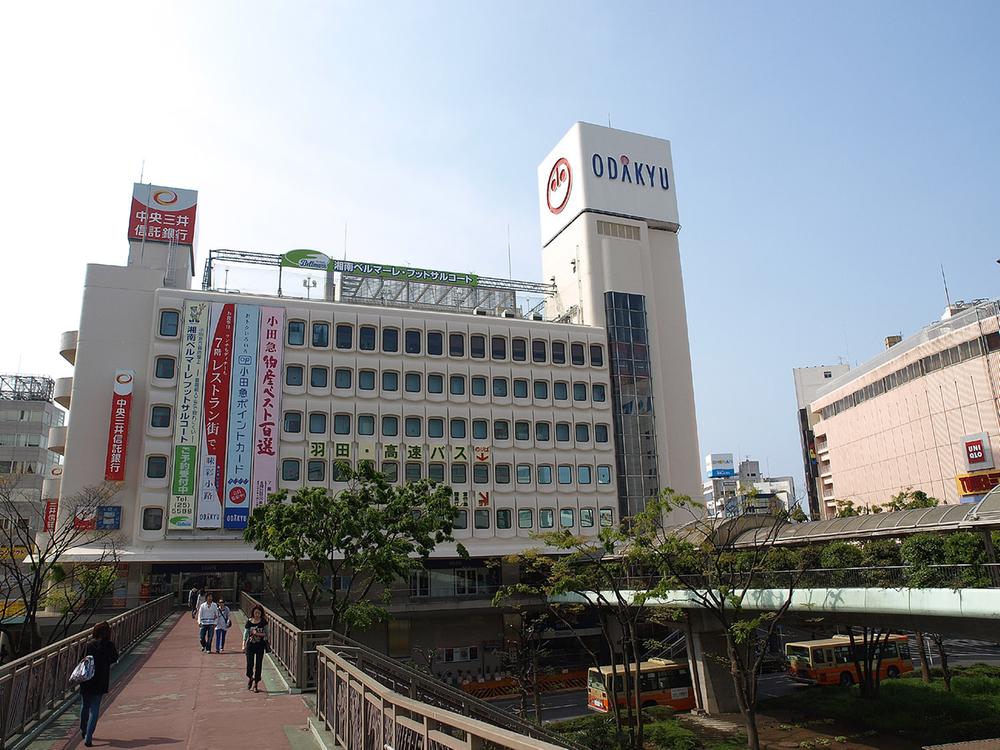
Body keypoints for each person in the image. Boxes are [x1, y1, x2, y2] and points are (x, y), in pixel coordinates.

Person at [78, 621, 119, 747]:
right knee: (95, 708)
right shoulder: (109, 646)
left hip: (87, 679)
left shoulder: (89, 645)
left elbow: (80, 659)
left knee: (85, 704)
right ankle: (88, 738)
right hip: (101, 679)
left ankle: (83, 729)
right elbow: (114, 658)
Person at [242, 605, 268, 692]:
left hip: (260, 645)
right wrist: (243, 645)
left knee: (258, 665)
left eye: (259, 613)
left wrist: (257, 633)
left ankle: (256, 684)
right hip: (250, 645)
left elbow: (266, 634)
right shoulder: (249, 622)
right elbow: (245, 634)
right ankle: (250, 677)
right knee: (249, 664)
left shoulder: (263, 622)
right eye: (256, 613)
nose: (257, 615)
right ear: (253, 613)